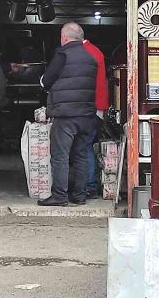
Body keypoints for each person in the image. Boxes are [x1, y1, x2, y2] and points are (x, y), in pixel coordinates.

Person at [38, 23, 97, 207]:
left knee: (60, 155)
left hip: (66, 115)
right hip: (86, 114)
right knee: (80, 155)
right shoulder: (91, 58)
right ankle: (79, 195)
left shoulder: (62, 55)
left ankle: (59, 196)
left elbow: (47, 80)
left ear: (64, 38)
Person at [82, 38, 108, 199]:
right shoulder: (94, 50)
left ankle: (90, 185)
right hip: (97, 106)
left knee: (85, 146)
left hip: (90, 106)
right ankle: (88, 183)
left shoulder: (86, 53)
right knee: (86, 145)